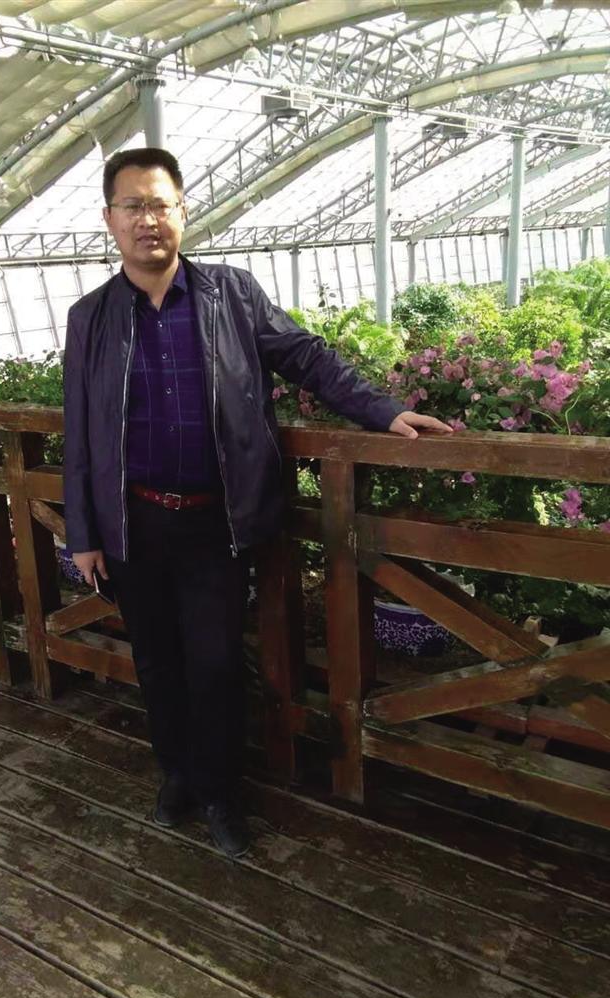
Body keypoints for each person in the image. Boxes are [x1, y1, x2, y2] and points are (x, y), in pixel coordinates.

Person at [64, 147, 450, 858]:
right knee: (157, 662)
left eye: (160, 205)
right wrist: (82, 532)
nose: (148, 220)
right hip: (133, 522)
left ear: (183, 212)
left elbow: (305, 356)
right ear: (110, 219)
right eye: (133, 206)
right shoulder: (91, 317)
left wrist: (382, 411)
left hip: (215, 520)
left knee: (214, 663)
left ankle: (219, 792)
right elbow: (80, 427)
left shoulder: (231, 294)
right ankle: (177, 773)